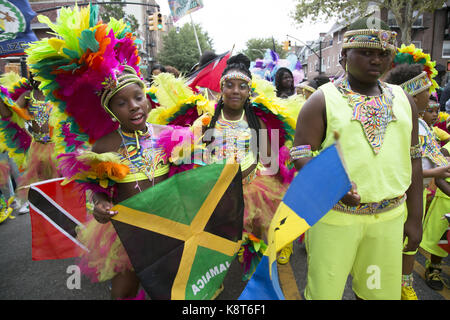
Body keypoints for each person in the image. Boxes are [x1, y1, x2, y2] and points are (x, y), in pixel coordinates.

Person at [25, 5, 177, 299]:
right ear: (110, 110)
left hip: (168, 222)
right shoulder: (105, 145)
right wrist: (99, 204)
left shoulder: (166, 135)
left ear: (147, 99)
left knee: (171, 286)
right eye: (122, 103)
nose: (133, 106)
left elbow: (184, 176)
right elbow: (96, 188)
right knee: (124, 289)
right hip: (128, 230)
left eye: (138, 97)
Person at [291, 17, 423, 300]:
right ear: (343, 57)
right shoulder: (321, 100)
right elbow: (300, 154)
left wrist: (415, 217)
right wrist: (333, 185)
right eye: (365, 52)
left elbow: (414, 160)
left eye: (382, 54)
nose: (376, 60)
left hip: (388, 220)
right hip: (335, 218)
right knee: (325, 293)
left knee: (377, 293)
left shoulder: (404, 100)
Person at [198, 54, 296, 275]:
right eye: (229, 85)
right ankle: (213, 280)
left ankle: (256, 281)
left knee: (256, 240)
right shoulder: (206, 121)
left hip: (253, 188)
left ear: (248, 92)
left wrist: (282, 183)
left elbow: (269, 158)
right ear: (221, 89)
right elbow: (196, 156)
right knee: (216, 241)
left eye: (242, 86)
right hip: (217, 190)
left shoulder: (255, 121)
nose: (235, 90)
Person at [385, 59, 449, 299]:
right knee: (396, 241)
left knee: (411, 242)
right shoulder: (399, 123)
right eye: (426, 92)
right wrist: (436, 173)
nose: (431, 96)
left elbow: (429, 158)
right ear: (411, 94)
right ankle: (389, 285)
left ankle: (405, 284)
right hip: (400, 193)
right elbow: (399, 167)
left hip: (419, 192)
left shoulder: (421, 122)